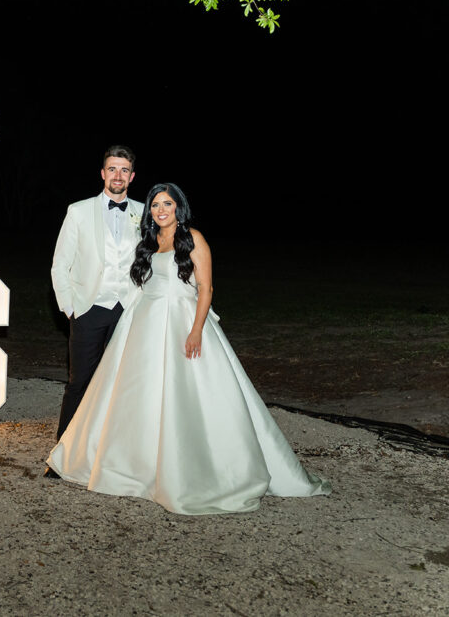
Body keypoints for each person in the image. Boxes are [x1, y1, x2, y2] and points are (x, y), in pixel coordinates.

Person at [46, 183, 331, 514]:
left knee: (188, 393)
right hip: (145, 324)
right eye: (155, 205)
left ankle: (195, 467)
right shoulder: (149, 241)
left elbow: (206, 288)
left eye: (167, 204)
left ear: (178, 208)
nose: (160, 210)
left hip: (184, 322)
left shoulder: (193, 238)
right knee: (139, 396)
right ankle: (138, 467)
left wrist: (196, 330)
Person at [48, 146, 145, 480]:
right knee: (80, 382)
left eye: (124, 170)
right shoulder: (78, 211)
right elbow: (60, 264)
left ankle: (116, 455)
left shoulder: (145, 212)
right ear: (103, 173)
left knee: (124, 384)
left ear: (132, 176)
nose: (118, 175)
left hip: (129, 310)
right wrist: (71, 308)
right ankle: (63, 456)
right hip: (89, 308)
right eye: (112, 169)